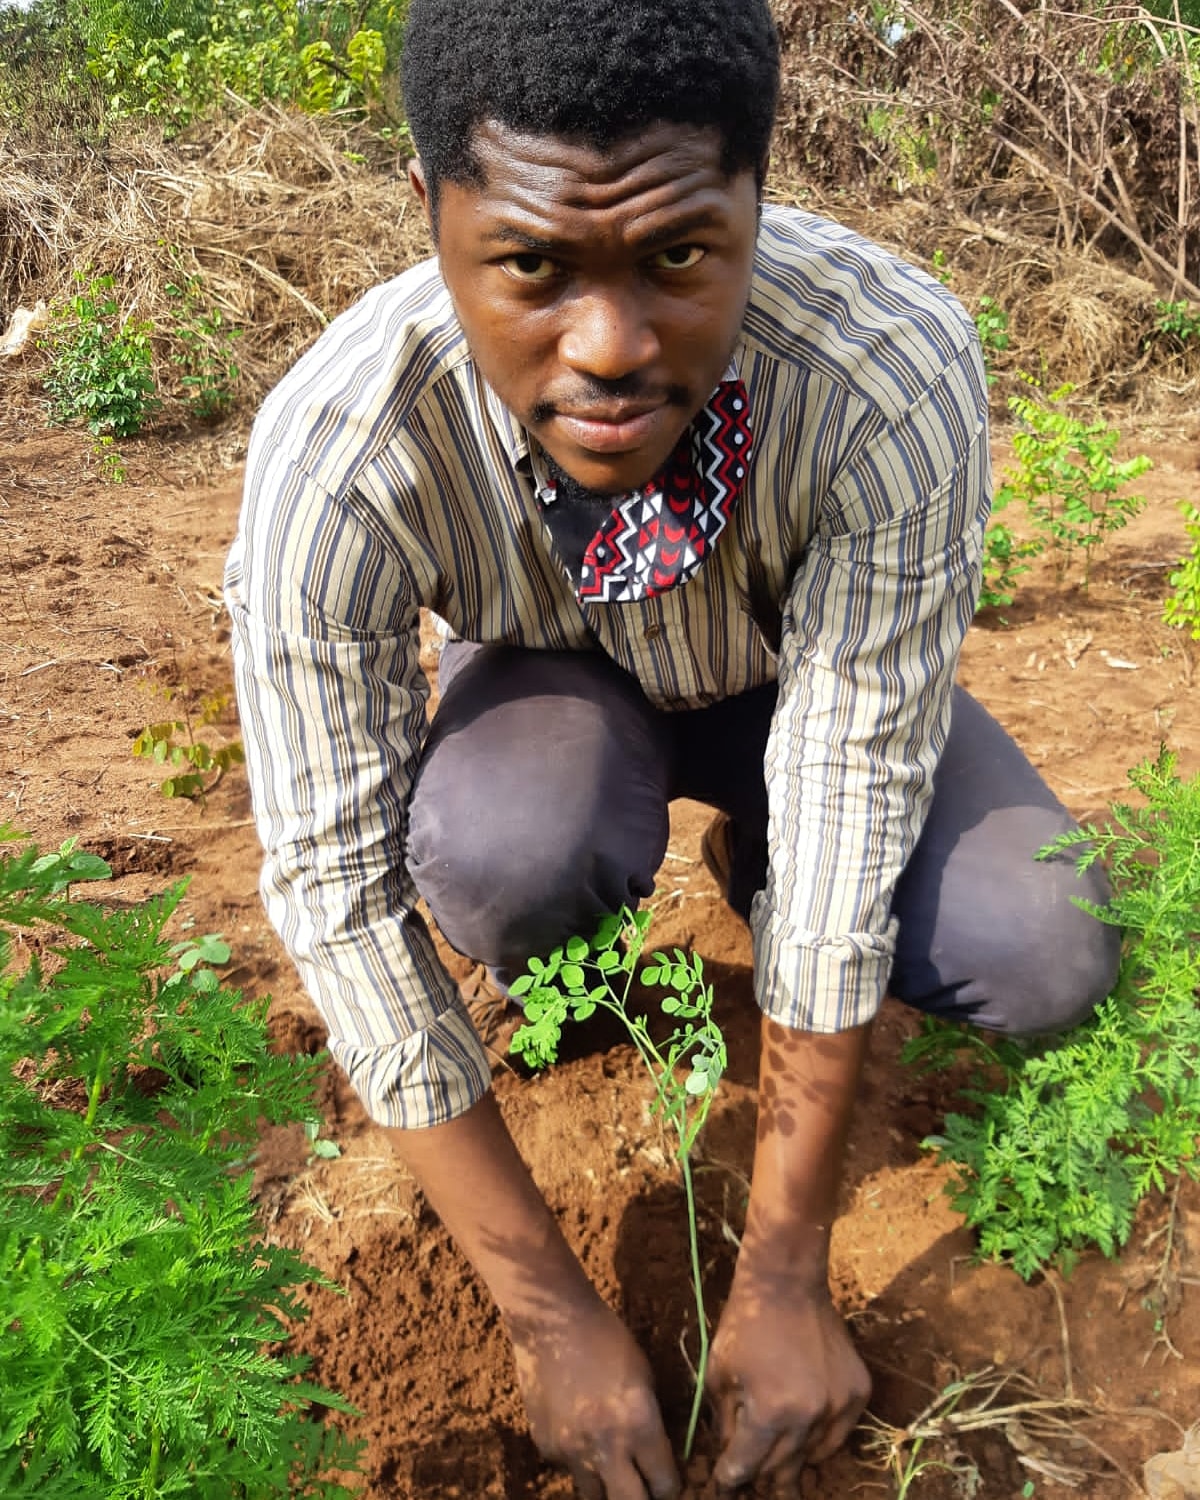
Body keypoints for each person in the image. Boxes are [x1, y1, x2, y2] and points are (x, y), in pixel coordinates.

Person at [225, 0, 1121, 1494]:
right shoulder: (348, 452)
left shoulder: (883, 369)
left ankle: (742, 854)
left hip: (800, 687)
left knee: (1045, 945)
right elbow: (331, 886)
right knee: (505, 852)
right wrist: (550, 1314)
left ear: (761, 199)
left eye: (680, 259)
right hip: (560, 693)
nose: (611, 351)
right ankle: (574, 966)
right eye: (530, 267)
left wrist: (781, 1272)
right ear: (428, 214)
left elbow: (853, 772)